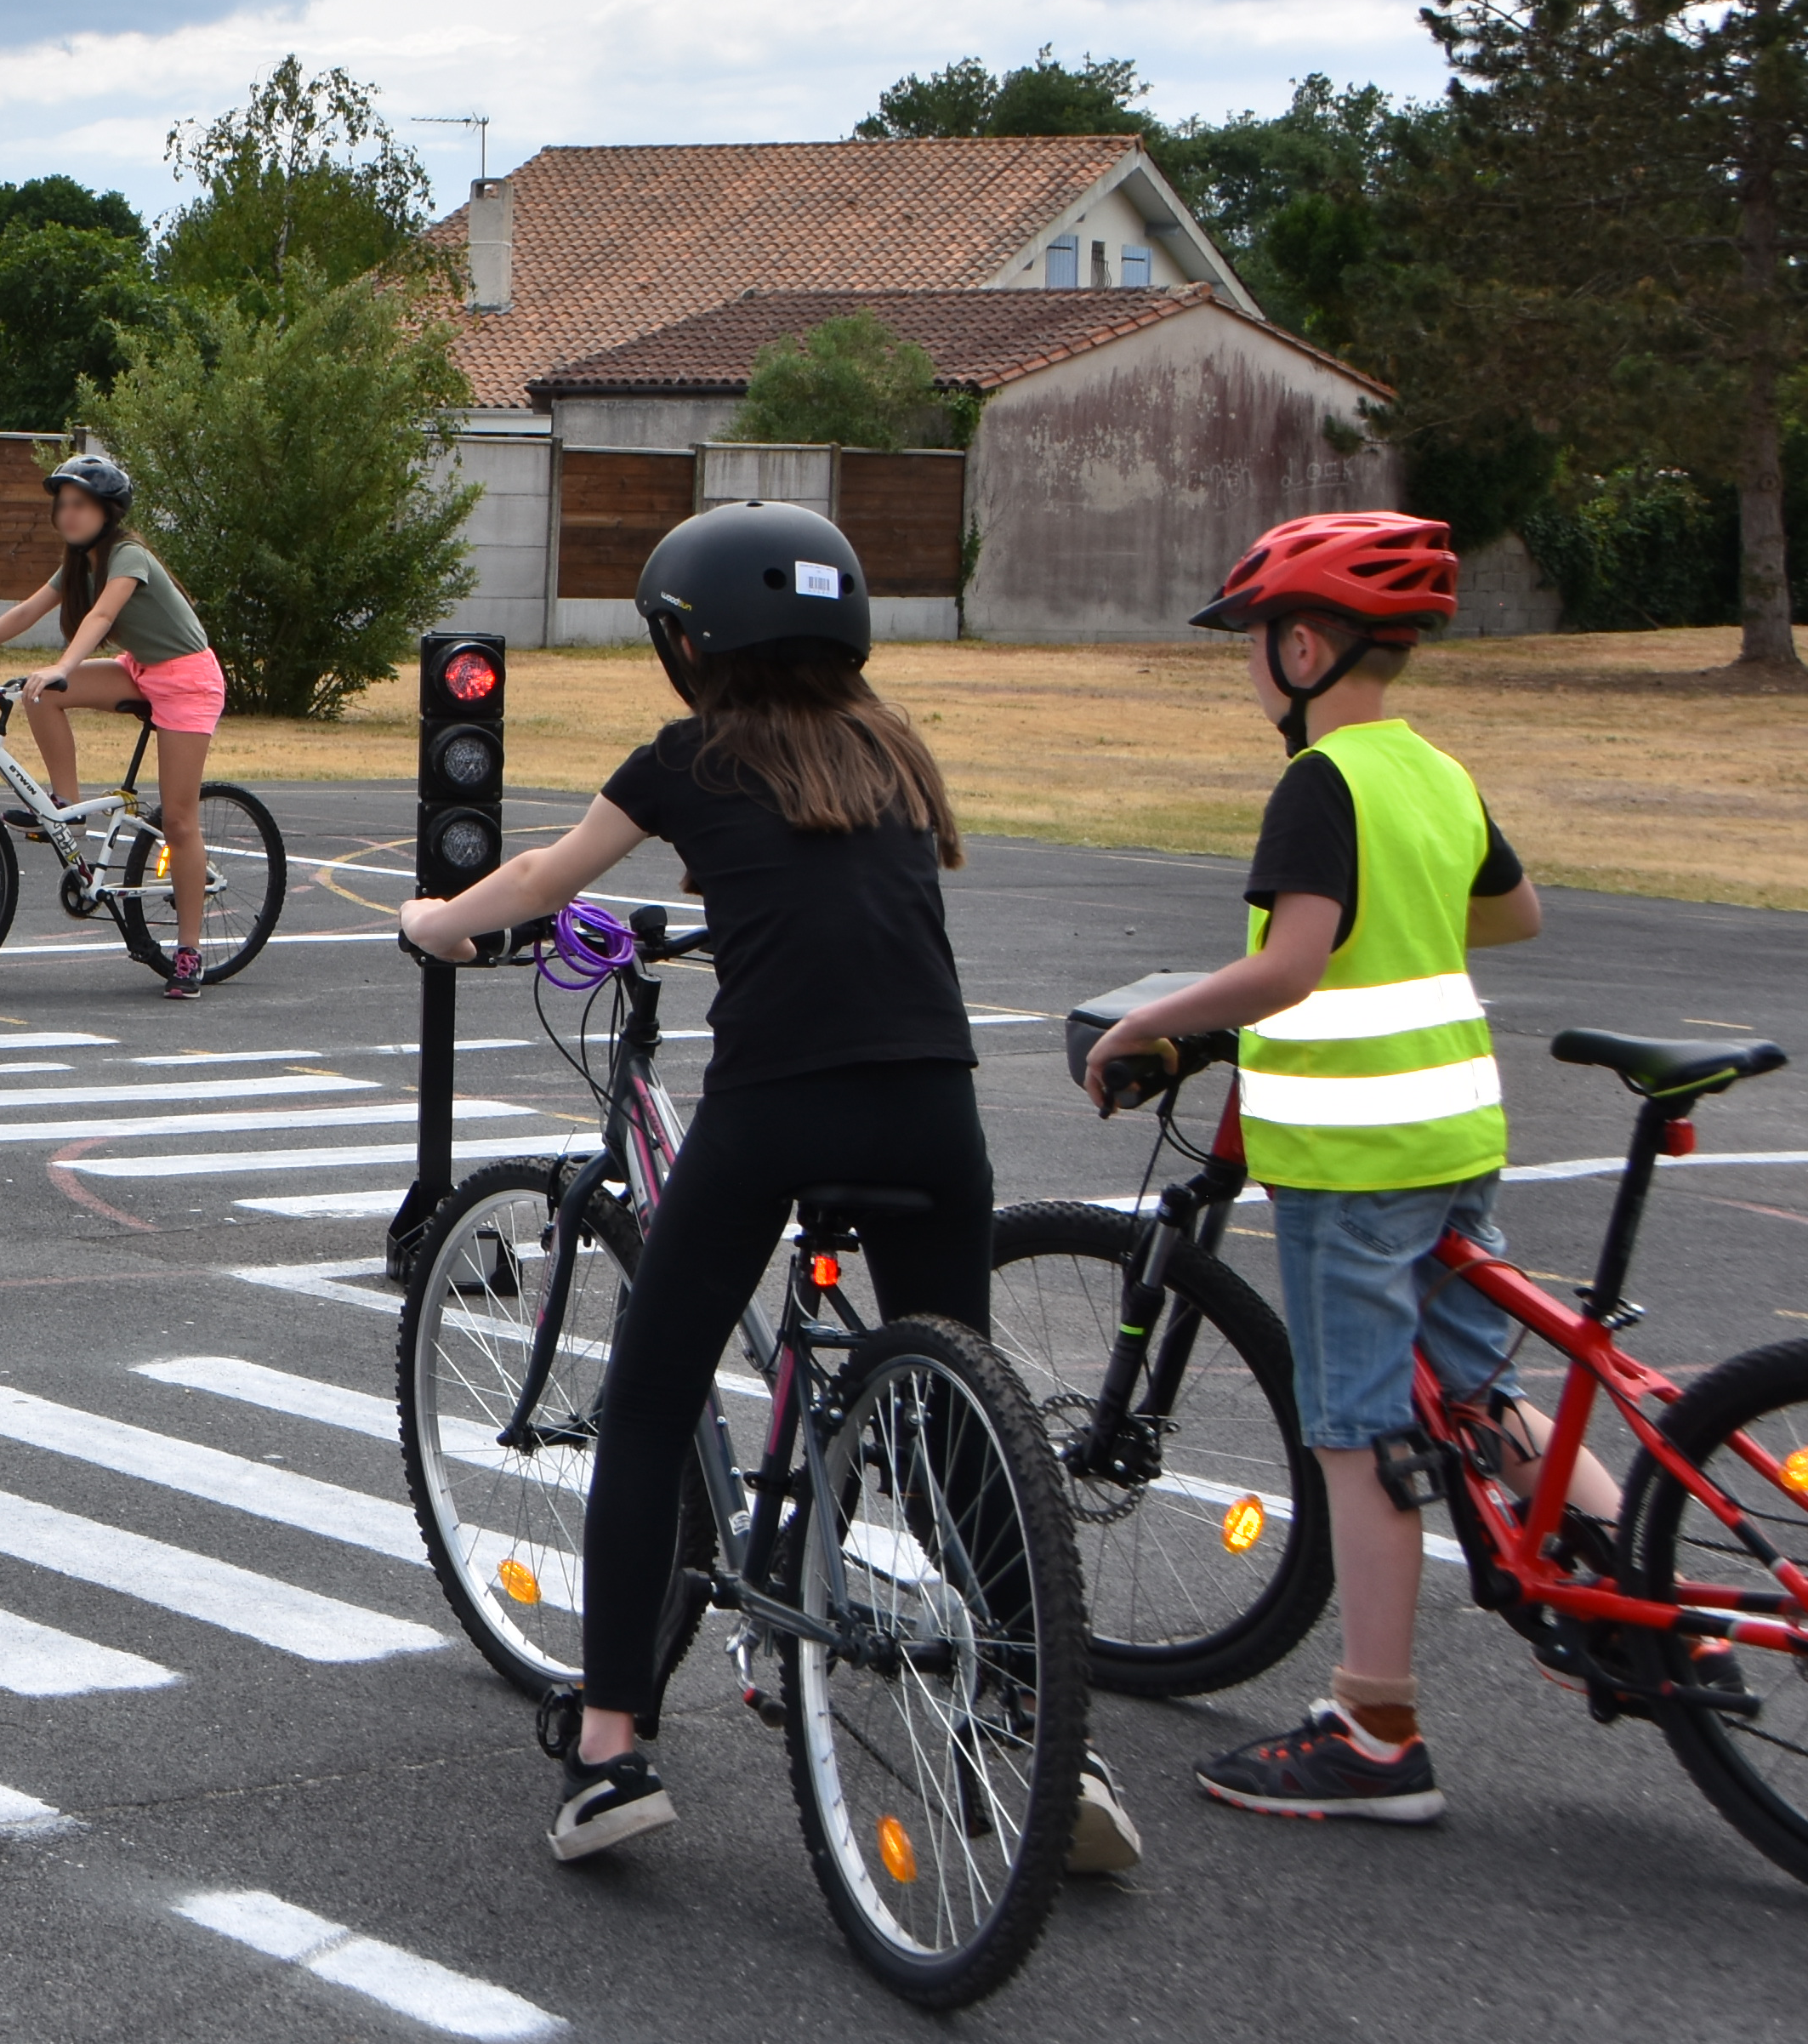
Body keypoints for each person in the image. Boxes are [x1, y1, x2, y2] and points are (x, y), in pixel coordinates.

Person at [399, 503, 1138, 1874]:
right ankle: (1043, 1725)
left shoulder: (690, 757)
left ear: (692, 644)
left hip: (777, 1108)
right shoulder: (895, 754)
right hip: (934, 1112)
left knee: (652, 1404)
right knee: (952, 1420)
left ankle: (612, 1748)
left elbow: (547, 879)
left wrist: (432, 923)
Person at [1074, 509, 1566, 1829]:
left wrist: (1151, 1020)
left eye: (1252, 645)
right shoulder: (1435, 773)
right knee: (1480, 1382)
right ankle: (1638, 1595)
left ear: (1303, 646)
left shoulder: (1322, 782)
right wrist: (1398, 919)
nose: (1247, 670)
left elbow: (1289, 966)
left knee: (1360, 1430)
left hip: (1355, 1157)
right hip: (1457, 1134)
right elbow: (1510, 915)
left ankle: (1374, 1724)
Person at [0, 450, 238, 990]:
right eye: (63, 505)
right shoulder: (79, 563)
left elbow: (102, 616)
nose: (68, 514)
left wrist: (64, 666)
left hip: (189, 680)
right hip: (141, 670)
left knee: (179, 822)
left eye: (81, 505)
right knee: (39, 696)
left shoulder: (128, 556)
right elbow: (26, 610)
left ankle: (188, 953)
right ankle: (67, 808)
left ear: (108, 512)